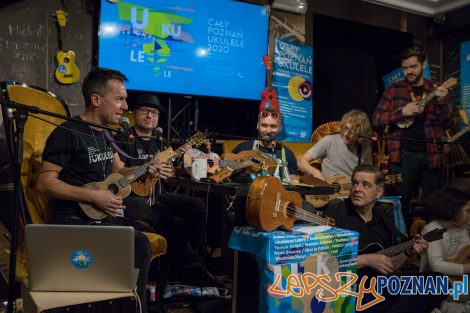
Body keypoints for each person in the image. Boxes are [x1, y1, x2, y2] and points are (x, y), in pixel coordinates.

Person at [36, 68, 159, 313]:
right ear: (96, 99)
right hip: (71, 219)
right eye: (119, 99)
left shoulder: (106, 134)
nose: (125, 106)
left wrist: (145, 170)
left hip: (100, 217)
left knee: (147, 229)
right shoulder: (67, 133)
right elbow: (45, 182)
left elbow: (118, 171)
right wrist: (92, 195)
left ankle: (128, 304)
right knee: (139, 243)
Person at [323, 164, 447, 313]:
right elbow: (324, 261)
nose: (357, 189)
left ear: (379, 191)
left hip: (378, 285)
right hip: (347, 288)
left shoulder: (383, 217)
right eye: (355, 183)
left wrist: (407, 253)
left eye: (365, 185)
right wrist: (366, 260)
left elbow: (389, 268)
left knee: (438, 282)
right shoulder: (336, 213)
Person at [113, 93, 206, 283]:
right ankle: (189, 266)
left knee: (199, 207)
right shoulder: (123, 137)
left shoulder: (161, 142)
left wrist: (184, 167)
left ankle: (179, 260)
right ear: (135, 113)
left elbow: (169, 174)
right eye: (145, 111)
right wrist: (144, 170)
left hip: (158, 193)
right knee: (164, 214)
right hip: (131, 195)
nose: (150, 116)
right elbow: (116, 170)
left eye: (154, 113)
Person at [373, 46, 453, 216]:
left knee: (434, 204)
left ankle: (431, 239)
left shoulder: (435, 89)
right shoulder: (393, 90)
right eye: (405, 68)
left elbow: (446, 123)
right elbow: (377, 119)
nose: (408, 71)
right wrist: (401, 112)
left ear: (423, 65)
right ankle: (400, 240)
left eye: (413, 67)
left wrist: (442, 102)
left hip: (431, 155)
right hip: (402, 157)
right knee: (399, 204)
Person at [420, 187, 470, 313]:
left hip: (462, 282)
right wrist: (467, 269)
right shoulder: (432, 230)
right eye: (467, 211)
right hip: (441, 285)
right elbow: (437, 266)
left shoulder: (463, 228)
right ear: (453, 211)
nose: (469, 215)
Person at [298, 109, 373, 181]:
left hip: (352, 192)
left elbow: (369, 173)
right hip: (331, 191)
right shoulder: (329, 141)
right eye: (345, 128)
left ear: (361, 133)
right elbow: (301, 161)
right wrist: (315, 173)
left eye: (352, 131)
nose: (346, 134)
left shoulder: (365, 148)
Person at [231, 107, 298, 182]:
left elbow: (293, 181)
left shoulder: (288, 155)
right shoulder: (243, 147)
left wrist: (294, 181)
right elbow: (224, 164)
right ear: (258, 126)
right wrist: (241, 163)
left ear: (280, 128)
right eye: (264, 125)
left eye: (273, 126)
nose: (268, 130)